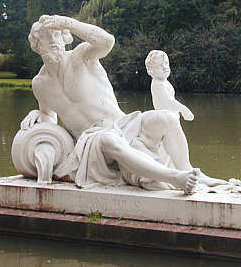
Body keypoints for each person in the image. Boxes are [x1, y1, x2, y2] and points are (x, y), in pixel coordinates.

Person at [21, 15, 227, 193]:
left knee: (166, 117)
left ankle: (188, 170)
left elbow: (106, 42)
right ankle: (174, 178)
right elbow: (49, 118)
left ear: (65, 37)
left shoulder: (81, 56)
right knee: (109, 140)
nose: (54, 42)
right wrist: (38, 117)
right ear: (37, 46)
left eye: (57, 35)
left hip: (124, 123)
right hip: (92, 140)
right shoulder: (41, 84)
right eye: (47, 39)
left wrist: (68, 22)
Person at [145, 50, 194, 121]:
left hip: (171, 118)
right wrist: (184, 110)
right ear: (151, 70)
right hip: (165, 119)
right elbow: (169, 102)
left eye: (166, 63)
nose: (165, 67)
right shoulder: (158, 84)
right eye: (160, 65)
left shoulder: (164, 82)